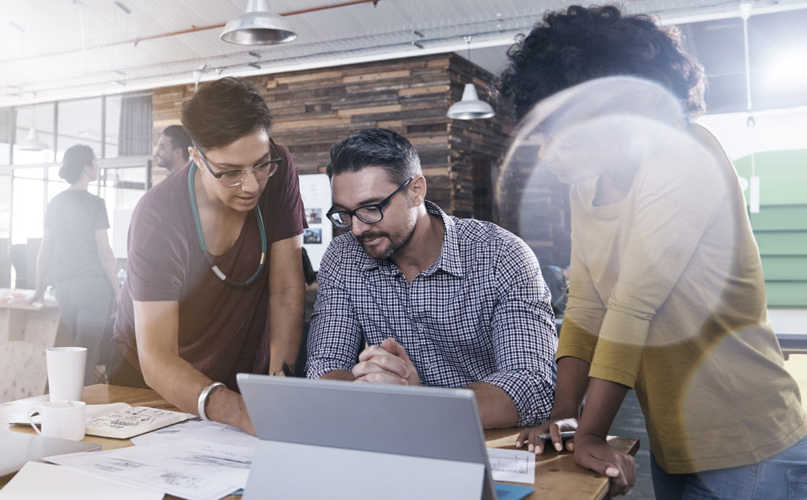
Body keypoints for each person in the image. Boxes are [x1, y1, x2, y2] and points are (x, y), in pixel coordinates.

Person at [499, 5, 807, 498]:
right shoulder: (587, 185)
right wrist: (564, 420)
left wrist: (593, 431)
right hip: (677, 442)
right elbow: (586, 304)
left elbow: (632, 304)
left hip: (752, 447)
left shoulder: (686, 157)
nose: (546, 153)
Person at [304, 128, 557, 430]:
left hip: (493, 443)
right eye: (345, 214)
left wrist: (418, 404)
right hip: (396, 437)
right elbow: (325, 367)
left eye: (371, 208)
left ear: (416, 191)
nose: (357, 229)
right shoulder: (344, 256)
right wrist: (383, 393)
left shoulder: (501, 255)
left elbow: (531, 386)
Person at [110, 77, 306, 435]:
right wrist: (238, 410)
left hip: (238, 371)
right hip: (153, 381)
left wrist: (279, 388)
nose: (251, 185)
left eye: (261, 164)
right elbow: (156, 359)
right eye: (230, 172)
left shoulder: (279, 171)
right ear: (196, 157)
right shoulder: (158, 218)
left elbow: (287, 294)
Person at [28, 145, 121, 383]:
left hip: (65, 290)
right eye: (95, 163)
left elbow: (44, 249)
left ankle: (85, 406)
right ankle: (79, 412)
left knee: (84, 352)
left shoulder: (55, 203)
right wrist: (119, 292)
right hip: (93, 289)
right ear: (86, 168)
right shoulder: (95, 204)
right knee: (86, 358)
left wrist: (39, 288)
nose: (97, 167)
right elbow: (104, 253)